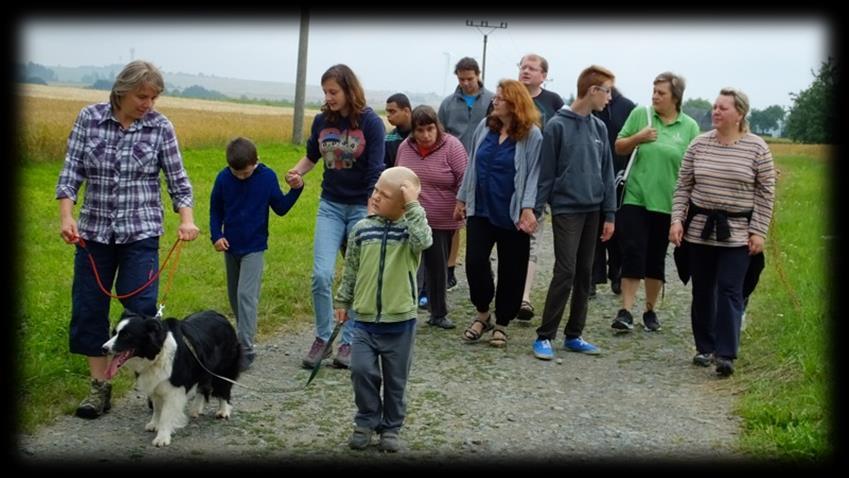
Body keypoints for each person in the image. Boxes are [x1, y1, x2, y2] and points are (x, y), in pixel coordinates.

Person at [56, 60, 200, 419]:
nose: (148, 103)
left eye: (153, 97)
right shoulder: (89, 119)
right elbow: (70, 173)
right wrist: (67, 216)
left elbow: (178, 181)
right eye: (141, 96)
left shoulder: (161, 127)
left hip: (141, 234)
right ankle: (99, 388)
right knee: (89, 309)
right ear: (121, 91)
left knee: (141, 313)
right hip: (93, 235)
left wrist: (187, 221)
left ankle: (152, 387)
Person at [285, 64, 385, 370]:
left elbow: (376, 169)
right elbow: (312, 156)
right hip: (330, 205)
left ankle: (350, 339)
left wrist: (371, 209)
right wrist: (296, 172)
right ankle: (324, 338)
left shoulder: (371, 123)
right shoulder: (321, 121)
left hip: (360, 207)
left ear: (349, 90)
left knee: (357, 276)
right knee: (322, 275)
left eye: (334, 91)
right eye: (325, 92)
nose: (328, 97)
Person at [669, 87, 775, 377]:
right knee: (702, 289)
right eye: (714, 107)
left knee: (730, 289)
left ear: (740, 114)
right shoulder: (699, 145)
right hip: (700, 231)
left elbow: (766, 194)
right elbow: (683, 187)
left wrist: (759, 231)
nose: (715, 112)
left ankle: (726, 353)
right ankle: (705, 346)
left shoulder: (757, 148)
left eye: (722, 108)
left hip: (738, 232)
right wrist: (677, 220)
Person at [334, 166, 433, 453]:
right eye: (375, 190)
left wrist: (414, 204)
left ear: (403, 203)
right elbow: (351, 268)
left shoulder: (410, 232)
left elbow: (425, 239)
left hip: (400, 322)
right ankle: (366, 419)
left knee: (395, 380)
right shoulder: (362, 229)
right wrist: (343, 300)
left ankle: (391, 426)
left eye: (385, 194)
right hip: (364, 321)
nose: (375, 197)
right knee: (361, 370)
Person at [531, 65, 617, 360]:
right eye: (607, 92)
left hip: (594, 209)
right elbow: (546, 174)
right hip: (566, 209)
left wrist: (610, 214)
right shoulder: (557, 126)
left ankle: (574, 334)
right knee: (565, 270)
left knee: (585, 273)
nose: (609, 98)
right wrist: (536, 209)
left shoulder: (600, 127)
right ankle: (545, 336)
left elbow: (607, 172)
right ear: (593, 91)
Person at [455, 79, 542, 348]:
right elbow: (472, 164)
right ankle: (483, 313)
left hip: (512, 212)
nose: (495, 101)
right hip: (480, 208)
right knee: (475, 263)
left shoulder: (532, 135)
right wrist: (461, 197)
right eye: (496, 97)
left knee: (512, 270)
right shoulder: (485, 127)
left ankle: (502, 323)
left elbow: (534, 175)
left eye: (501, 98)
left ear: (515, 104)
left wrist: (528, 207)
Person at [610, 72, 700, 333]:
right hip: (636, 197)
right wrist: (639, 137)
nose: (655, 96)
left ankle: (650, 310)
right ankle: (625, 310)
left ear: (676, 97)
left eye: (661, 93)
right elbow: (619, 146)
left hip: (668, 202)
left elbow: (692, 166)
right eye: (654, 91)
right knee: (633, 251)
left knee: (656, 258)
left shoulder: (690, 127)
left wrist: (684, 211)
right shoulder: (641, 114)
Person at [210, 137, 303, 371]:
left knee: (246, 296)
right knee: (234, 297)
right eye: (236, 173)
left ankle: (245, 349)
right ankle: (242, 342)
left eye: (246, 173)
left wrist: (296, 190)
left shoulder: (267, 177)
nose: (241, 177)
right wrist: (215, 236)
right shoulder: (223, 178)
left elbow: (280, 208)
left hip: (254, 247)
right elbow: (215, 210)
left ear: (256, 161)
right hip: (231, 247)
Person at [396, 105, 467, 330]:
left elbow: (465, 178)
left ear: (437, 127)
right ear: (413, 132)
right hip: (409, 216)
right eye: (420, 130)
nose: (426, 135)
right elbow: (397, 176)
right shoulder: (405, 148)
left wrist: (460, 203)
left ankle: (438, 312)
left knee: (437, 267)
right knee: (404, 265)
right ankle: (401, 309)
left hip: (441, 218)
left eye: (430, 129)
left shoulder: (452, 146)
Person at [514, 53, 565, 322]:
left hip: (541, 179)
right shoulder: (508, 97)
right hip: (510, 178)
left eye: (532, 69)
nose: (526, 72)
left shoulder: (553, 102)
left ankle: (524, 298)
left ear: (544, 75)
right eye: (523, 67)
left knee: (532, 238)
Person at [439, 57, 495, 292]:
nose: (466, 83)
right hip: (454, 169)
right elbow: (440, 135)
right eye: (461, 79)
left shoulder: (493, 100)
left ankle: (483, 262)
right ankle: (450, 267)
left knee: (483, 221)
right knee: (454, 221)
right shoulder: (447, 104)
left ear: (478, 75)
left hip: (486, 170)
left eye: (470, 79)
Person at [590, 86, 636, 297]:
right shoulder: (590, 105)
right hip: (592, 171)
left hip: (619, 175)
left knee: (617, 229)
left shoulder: (627, 107)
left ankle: (617, 272)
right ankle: (591, 277)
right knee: (592, 228)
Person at [384, 93, 412, 169]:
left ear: (406, 111)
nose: (388, 115)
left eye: (392, 111)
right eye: (388, 112)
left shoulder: (422, 135)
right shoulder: (388, 138)